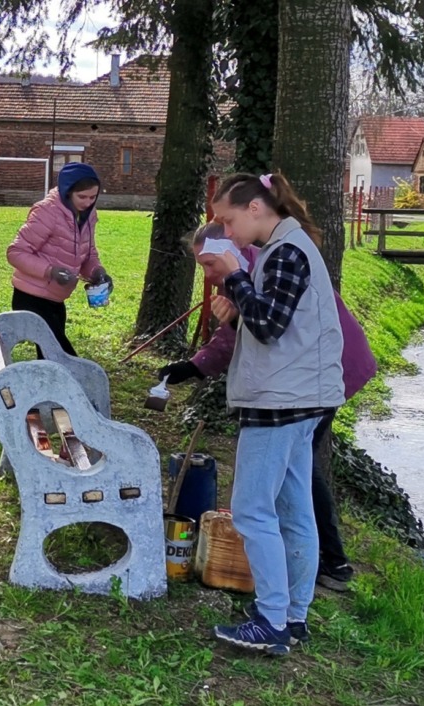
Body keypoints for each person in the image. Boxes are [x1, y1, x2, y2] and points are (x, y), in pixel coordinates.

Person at [158, 222, 376, 591]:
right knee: (298, 470)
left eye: (210, 264)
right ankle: (314, 566)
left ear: (230, 248)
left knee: (296, 474)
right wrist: (195, 366)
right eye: (203, 266)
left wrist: (200, 362)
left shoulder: (261, 268)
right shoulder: (246, 268)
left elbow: (260, 329)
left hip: (327, 371)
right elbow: (237, 333)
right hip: (314, 375)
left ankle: (326, 566)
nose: (209, 275)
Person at [205, 172, 346, 656]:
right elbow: (271, 320)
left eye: (228, 220)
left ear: (256, 209)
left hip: (282, 399)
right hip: (299, 394)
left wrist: (235, 276)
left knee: (251, 510)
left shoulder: (287, 251)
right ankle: (292, 615)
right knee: (292, 509)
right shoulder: (284, 249)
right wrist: (238, 308)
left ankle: (270, 621)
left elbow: (268, 326)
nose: (226, 231)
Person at [7, 162, 113, 358]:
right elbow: (16, 252)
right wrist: (50, 271)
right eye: (82, 197)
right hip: (31, 297)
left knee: (50, 357)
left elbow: (88, 252)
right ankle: (80, 384)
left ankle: (48, 387)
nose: (88, 202)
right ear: (67, 192)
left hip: (57, 298)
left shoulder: (88, 215)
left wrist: (98, 272)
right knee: (61, 355)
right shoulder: (46, 212)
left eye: (93, 197)